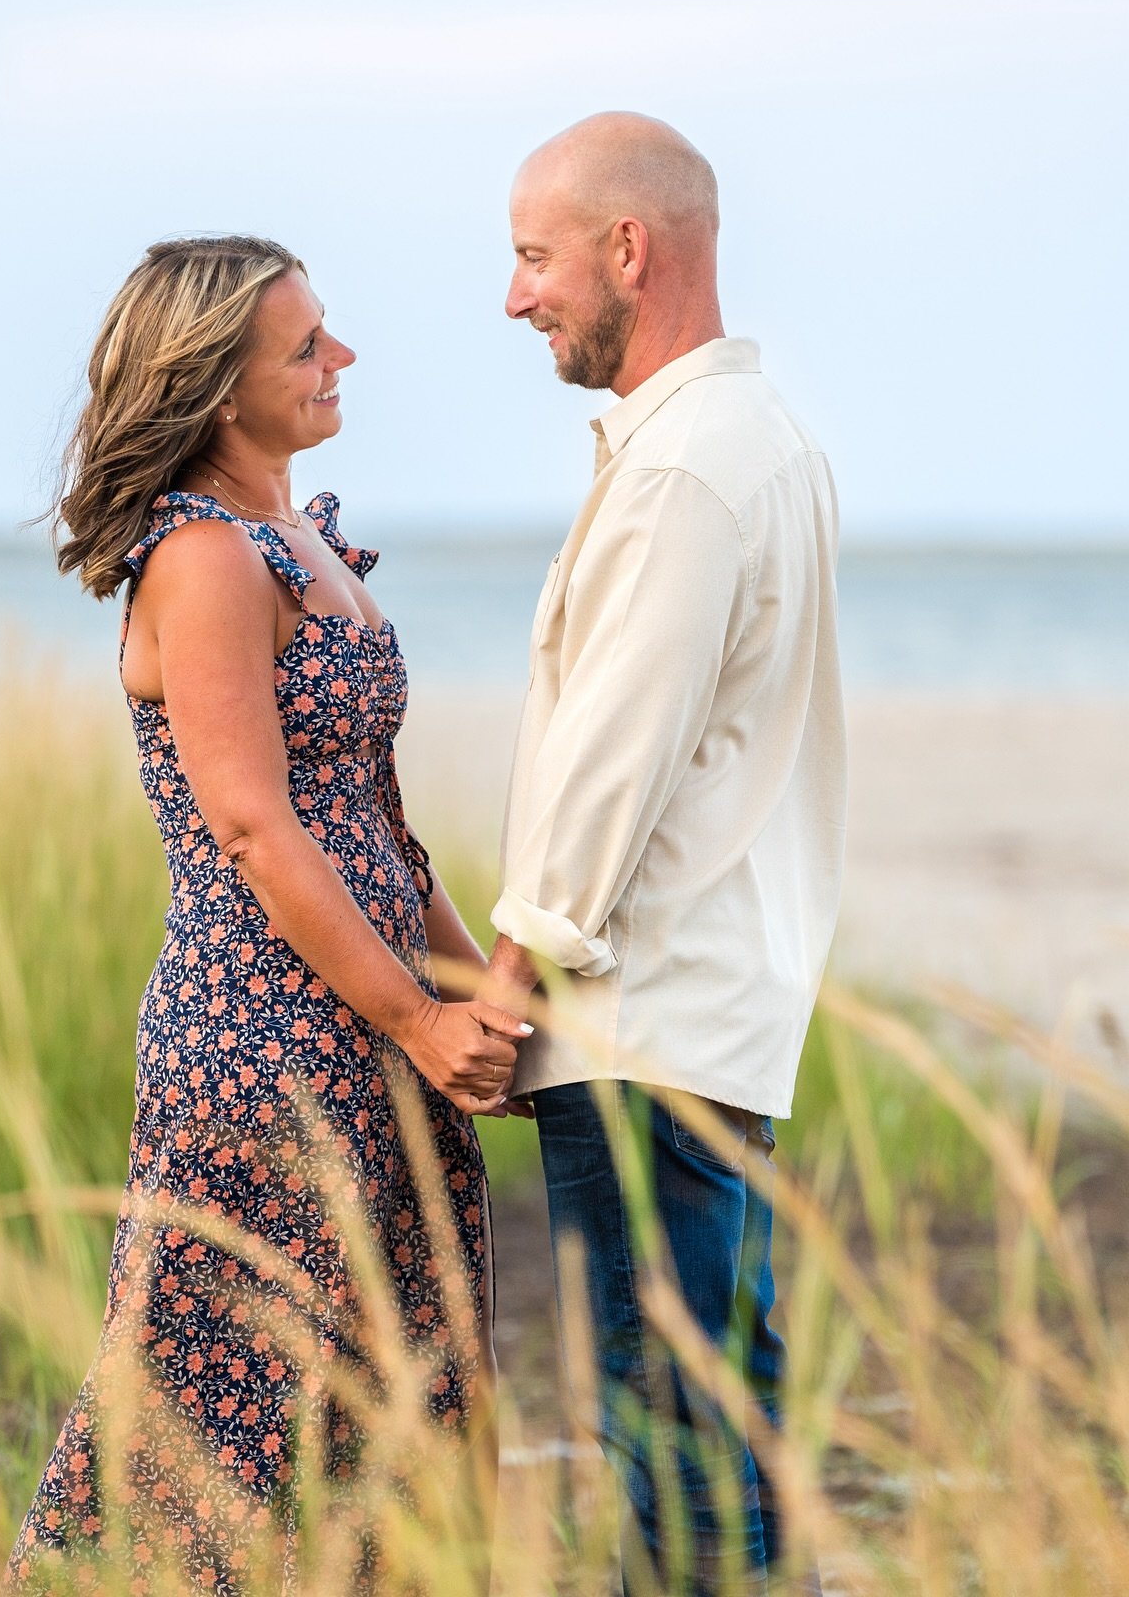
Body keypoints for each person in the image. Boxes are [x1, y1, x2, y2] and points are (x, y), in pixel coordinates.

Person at [4, 235, 530, 1593]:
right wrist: (418, 1020)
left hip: (367, 1023)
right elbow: (251, 826)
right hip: (263, 1044)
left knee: (397, 1391)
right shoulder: (201, 559)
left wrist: (482, 993)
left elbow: (373, 825)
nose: (340, 359)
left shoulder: (299, 542)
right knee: (223, 1407)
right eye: (304, 346)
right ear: (220, 390)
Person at [484, 115, 846, 1595]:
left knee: (672, 1443)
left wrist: (509, 983)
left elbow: (606, 767)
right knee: (723, 1425)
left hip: (646, 1031)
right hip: (711, 1021)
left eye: (532, 256)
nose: (516, 298)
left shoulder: (688, 468)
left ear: (629, 250)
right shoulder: (746, 445)